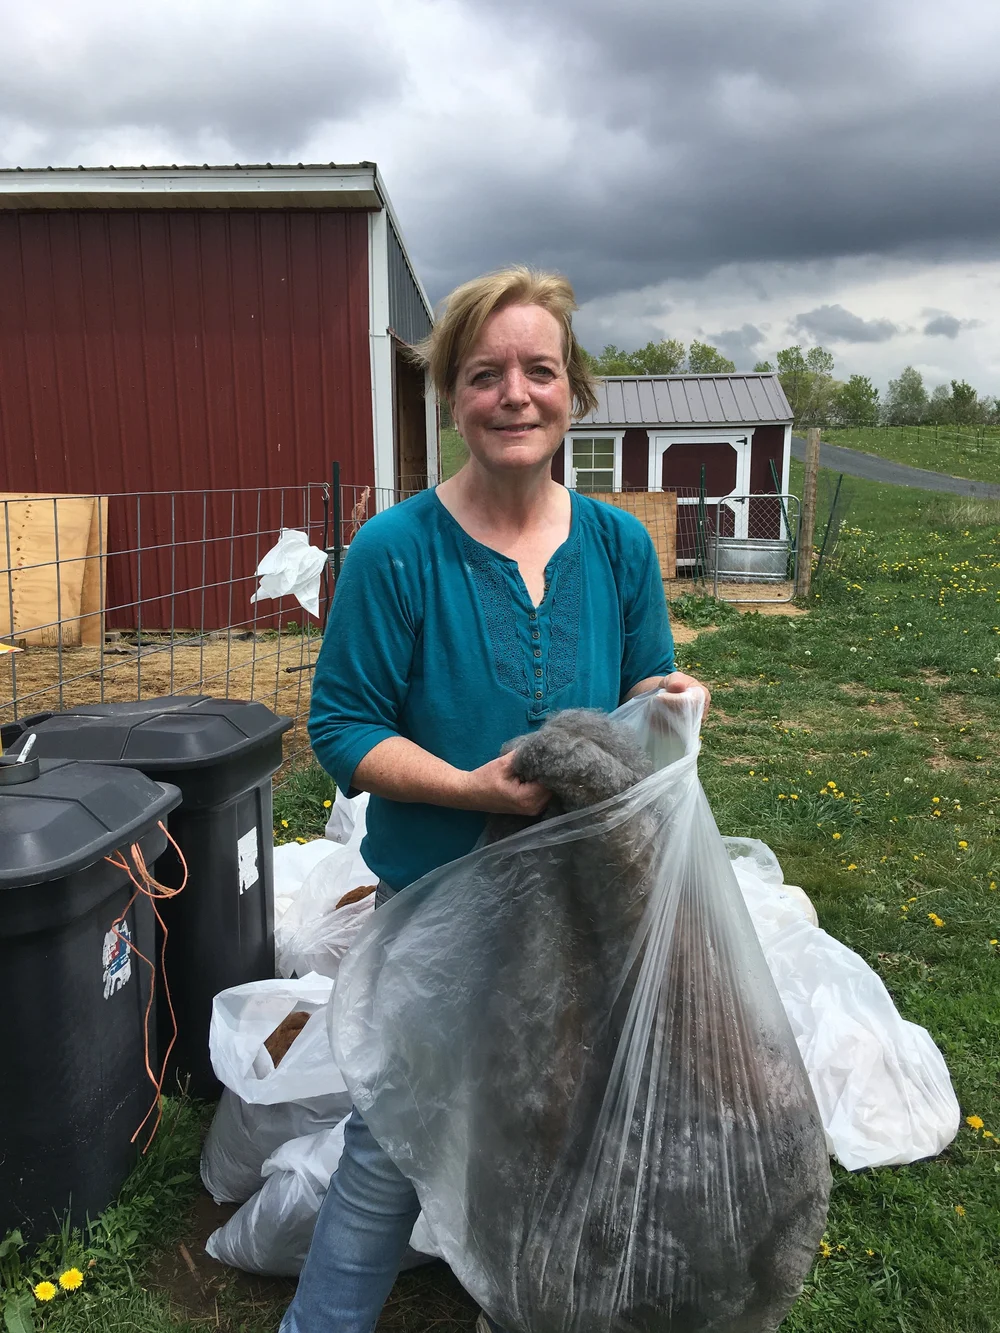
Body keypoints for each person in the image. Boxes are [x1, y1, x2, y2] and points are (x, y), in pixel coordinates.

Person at [281, 265, 710, 1333]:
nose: (514, 394)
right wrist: (468, 787)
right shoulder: (395, 552)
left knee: (555, 1125)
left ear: (575, 392)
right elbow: (341, 725)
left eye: (539, 369)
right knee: (395, 1136)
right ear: (452, 401)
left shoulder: (616, 546)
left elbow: (636, 694)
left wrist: (671, 702)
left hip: (579, 904)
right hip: (439, 900)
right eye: (484, 375)